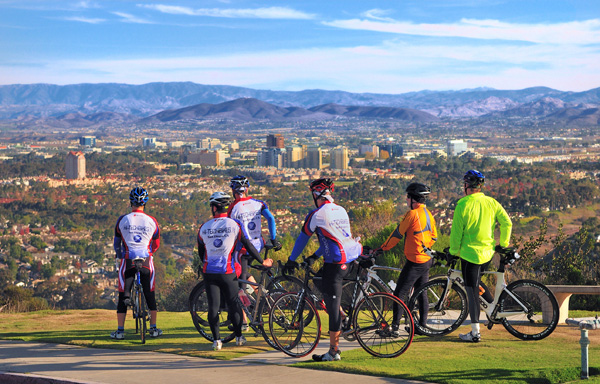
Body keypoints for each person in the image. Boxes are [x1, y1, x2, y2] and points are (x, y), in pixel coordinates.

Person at [283, 178, 362, 362]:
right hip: (349, 258)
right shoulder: (340, 210)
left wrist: (291, 260)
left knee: (332, 308)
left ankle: (334, 352)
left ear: (316, 195)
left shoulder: (317, 214)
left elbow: (302, 239)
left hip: (336, 263)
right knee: (319, 281)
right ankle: (343, 315)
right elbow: (334, 237)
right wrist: (315, 256)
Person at [198, 191, 273, 351]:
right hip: (228, 272)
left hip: (210, 272)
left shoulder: (203, 228)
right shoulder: (235, 225)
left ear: (213, 208)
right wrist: (262, 261)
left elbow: (201, 253)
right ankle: (239, 337)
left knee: (213, 307)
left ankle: (217, 341)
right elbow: (248, 245)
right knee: (234, 305)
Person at [449, 170, 512, 342]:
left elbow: (456, 232)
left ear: (466, 186)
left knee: (471, 292)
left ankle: (475, 333)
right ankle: (492, 308)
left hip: (469, 254)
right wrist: (503, 244)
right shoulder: (491, 202)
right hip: (488, 253)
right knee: (476, 283)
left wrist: (453, 251)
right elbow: (507, 222)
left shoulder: (463, 204)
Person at [375, 182, 438, 335]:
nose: (406, 200)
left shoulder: (412, 214)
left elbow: (397, 234)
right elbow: (434, 237)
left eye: (407, 197)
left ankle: (394, 328)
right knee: (421, 291)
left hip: (416, 260)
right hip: (426, 258)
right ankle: (421, 326)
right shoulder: (429, 213)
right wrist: (425, 247)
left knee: (399, 294)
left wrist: (382, 249)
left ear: (413, 199)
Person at [228, 175, 281, 329]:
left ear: (233, 190)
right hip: (259, 245)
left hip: (243, 249)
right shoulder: (259, 203)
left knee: (238, 281)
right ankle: (262, 297)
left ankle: (243, 321)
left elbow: (230, 229)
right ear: (247, 189)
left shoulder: (233, 207)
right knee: (246, 274)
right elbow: (270, 219)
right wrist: (274, 238)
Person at [111, 187, 162, 340]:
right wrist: (149, 253)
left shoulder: (122, 220)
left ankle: (120, 331)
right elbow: (156, 244)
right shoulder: (152, 221)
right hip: (146, 259)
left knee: (123, 294)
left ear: (130, 202)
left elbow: (117, 244)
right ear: (145, 203)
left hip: (128, 260)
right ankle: (153, 329)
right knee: (150, 293)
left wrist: (120, 255)